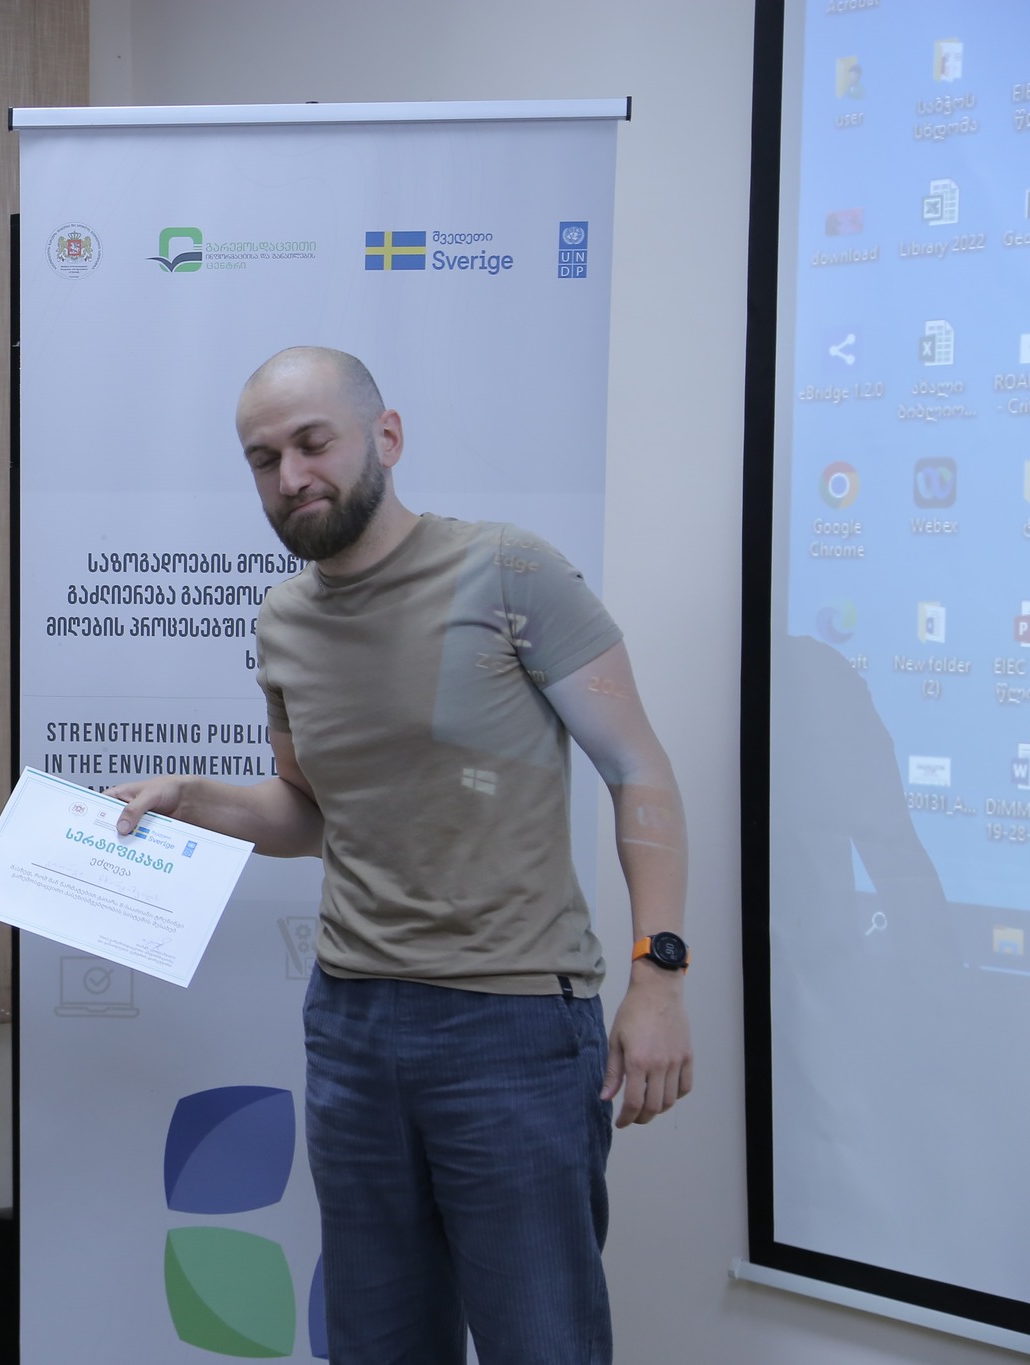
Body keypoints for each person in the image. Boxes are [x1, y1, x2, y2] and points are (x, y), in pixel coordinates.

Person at [112, 347, 691, 1364]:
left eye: (312, 443)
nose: (290, 477)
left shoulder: (509, 571)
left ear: (385, 436)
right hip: (351, 1026)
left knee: (540, 1343)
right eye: (262, 459)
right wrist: (188, 799)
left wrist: (658, 975)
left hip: (513, 1026)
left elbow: (636, 769)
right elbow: (311, 815)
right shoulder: (284, 620)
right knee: (377, 1345)